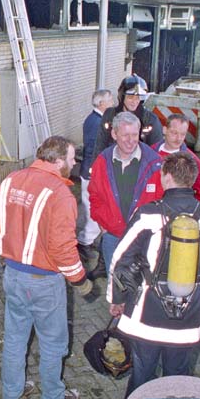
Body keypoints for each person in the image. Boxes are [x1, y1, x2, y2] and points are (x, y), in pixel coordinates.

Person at [107, 152, 200, 399]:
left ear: (166, 177)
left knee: (143, 372)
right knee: (178, 376)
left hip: (147, 314)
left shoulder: (148, 214)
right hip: (189, 314)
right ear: (194, 180)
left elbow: (121, 260)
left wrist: (116, 299)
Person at [0, 136, 94, 399]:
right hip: (44, 282)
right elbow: (62, 248)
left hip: (13, 274)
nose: (74, 163)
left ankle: (12, 392)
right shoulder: (60, 193)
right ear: (58, 161)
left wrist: (5, 250)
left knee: (14, 337)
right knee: (53, 342)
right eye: (71, 159)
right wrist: (80, 280)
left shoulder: (11, 180)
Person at [89, 111, 163, 272]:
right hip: (112, 237)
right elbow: (94, 195)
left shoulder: (155, 164)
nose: (131, 141)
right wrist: (104, 225)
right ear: (114, 134)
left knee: (142, 287)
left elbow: (162, 202)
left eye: (134, 134)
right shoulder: (102, 161)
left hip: (144, 240)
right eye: (125, 135)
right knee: (114, 285)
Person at [77, 89, 113, 259]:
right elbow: (93, 149)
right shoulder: (96, 123)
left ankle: (86, 240)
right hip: (92, 173)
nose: (112, 103)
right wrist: (95, 172)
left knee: (90, 206)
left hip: (91, 171)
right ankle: (84, 242)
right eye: (110, 100)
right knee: (92, 207)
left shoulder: (95, 120)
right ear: (101, 104)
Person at [92, 75, 163, 159]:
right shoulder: (110, 115)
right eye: (130, 97)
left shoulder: (150, 120)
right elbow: (100, 144)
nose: (134, 101)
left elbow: (156, 150)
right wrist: (96, 166)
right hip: (112, 164)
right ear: (122, 97)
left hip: (139, 166)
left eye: (138, 97)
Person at [150, 113, 200, 203]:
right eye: (174, 133)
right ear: (165, 130)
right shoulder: (149, 154)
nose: (179, 138)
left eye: (183, 134)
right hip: (149, 210)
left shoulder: (192, 161)